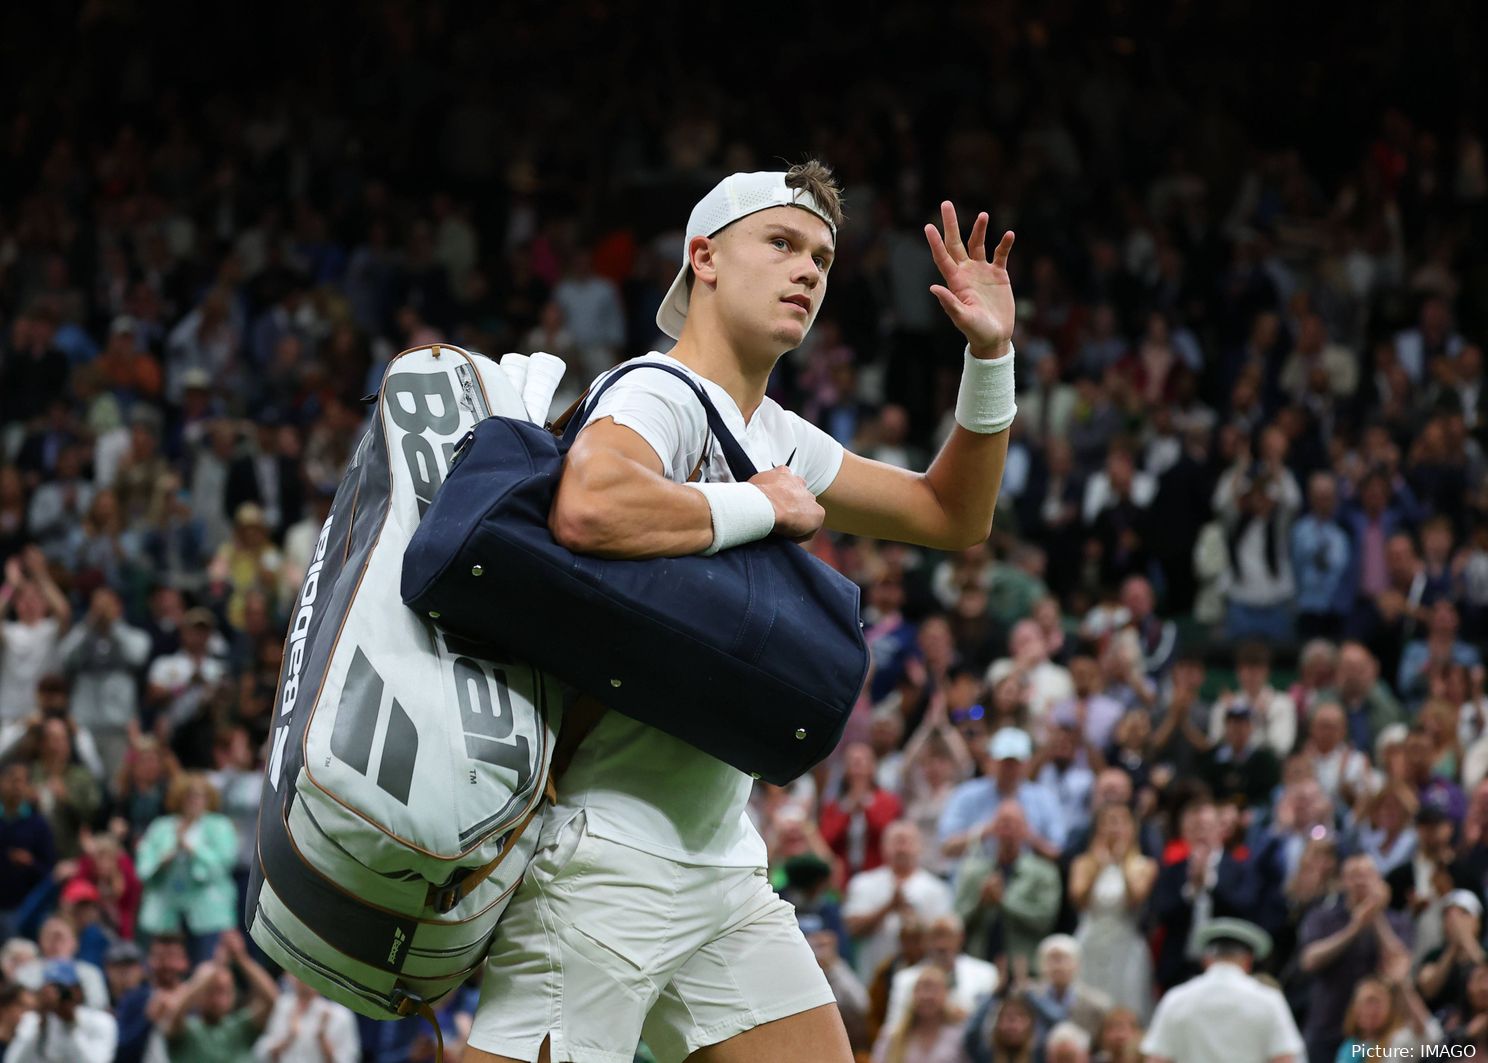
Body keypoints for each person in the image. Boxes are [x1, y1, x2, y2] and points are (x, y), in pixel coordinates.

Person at [468, 164, 1021, 1063]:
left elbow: (951, 514)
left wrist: (990, 355)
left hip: (721, 865)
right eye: (782, 243)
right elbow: (592, 506)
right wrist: (763, 506)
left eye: (822, 257)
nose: (807, 269)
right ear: (705, 258)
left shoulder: (779, 431)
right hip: (602, 856)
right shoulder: (655, 386)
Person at [1140, 918, 1303, 1063]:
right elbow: (1284, 1058)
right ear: (1248, 961)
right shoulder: (1268, 1000)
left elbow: (1157, 1058)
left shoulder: (1176, 999)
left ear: (1206, 960)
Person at [135, 772, 239, 963]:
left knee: (207, 968)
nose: (194, 801)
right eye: (189, 796)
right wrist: (162, 861)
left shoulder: (219, 826)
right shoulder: (161, 826)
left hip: (208, 917)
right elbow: (143, 867)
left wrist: (193, 849)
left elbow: (224, 864)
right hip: (166, 917)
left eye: (199, 796)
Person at [1070, 802, 1156, 1019]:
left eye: (1121, 822)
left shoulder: (1144, 865)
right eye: (1109, 822)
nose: (1115, 828)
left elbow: (1135, 901)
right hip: (1090, 942)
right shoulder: (1083, 863)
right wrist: (1099, 867)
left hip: (1125, 946)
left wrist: (1121, 863)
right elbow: (1078, 902)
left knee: (1127, 1006)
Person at [842, 820, 953, 982]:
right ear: (883, 846)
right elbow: (852, 929)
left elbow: (944, 937)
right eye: (896, 842)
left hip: (920, 979)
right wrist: (889, 907)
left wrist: (913, 920)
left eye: (907, 842)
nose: (901, 848)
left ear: (919, 847)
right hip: (871, 976)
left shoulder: (937, 889)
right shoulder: (863, 883)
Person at [3, 958, 118, 1063]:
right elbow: (13, 1060)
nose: (57, 995)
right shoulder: (33, 1020)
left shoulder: (101, 1021)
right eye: (51, 988)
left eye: (63, 988)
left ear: (78, 989)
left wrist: (70, 1024)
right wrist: (40, 1026)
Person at [253, 974, 361, 1063]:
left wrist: (322, 1039)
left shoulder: (340, 1015)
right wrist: (289, 1038)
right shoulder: (284, 1005)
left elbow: (349, 1058)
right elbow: (262, 1052)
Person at [869, 964, 964, 1063]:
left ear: (946, 993)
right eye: (923, 988)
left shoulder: (959, 1036)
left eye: (934, 989)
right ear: (913, 994)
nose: (927, 996)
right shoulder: (892, 1036)